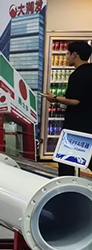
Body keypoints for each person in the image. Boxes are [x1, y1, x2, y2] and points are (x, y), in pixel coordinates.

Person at [46, 41, 92, 176]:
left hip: (76, 124)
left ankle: (66, 184)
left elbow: (75, 101)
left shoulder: (77, 75)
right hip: (89, 123)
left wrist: (54, 98)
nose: (66, 57)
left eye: (68, 53)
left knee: (65, 159)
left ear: (75, 55)